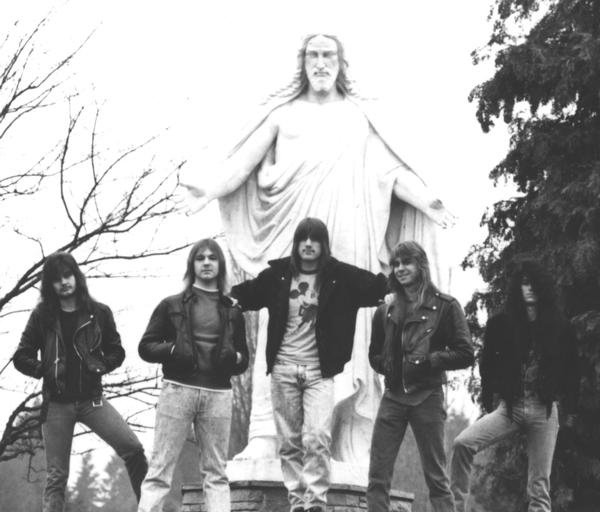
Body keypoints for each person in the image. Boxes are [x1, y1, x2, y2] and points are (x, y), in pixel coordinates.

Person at [183, 33, 455, 467]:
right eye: (314, 54)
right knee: (282, 325)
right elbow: (242, 164)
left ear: (341, 63)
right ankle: (267, 435)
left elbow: (389, 173)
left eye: (329, 55)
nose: (321, 62)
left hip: (349, 238)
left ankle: (347, 438)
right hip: (296, 240)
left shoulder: (359, 118)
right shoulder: (283, 116)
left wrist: (427, 201)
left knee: (351, 331)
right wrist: (208, 188)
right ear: (303, 62)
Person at [230, 217, 387, 512]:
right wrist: (225, 299)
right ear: (296, 244)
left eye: (315, 239)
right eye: (303, 239)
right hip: (283, 368)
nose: (309, 244)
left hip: (318, 371)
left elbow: (376, 287)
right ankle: (297, 501)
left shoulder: (339, 276)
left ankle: (315, 501)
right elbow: (245, 294)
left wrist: (399, 289)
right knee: (289, 441)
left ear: (323, 244)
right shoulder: (278, 276)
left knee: (317, 436)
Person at [13, 251, 148, 512]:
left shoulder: (99, 313)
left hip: (92, 401)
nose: (64, 282)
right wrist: (43, 369)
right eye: (57, 279)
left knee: (133, 449)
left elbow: (117, 351)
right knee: (56, 476)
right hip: (56, 404)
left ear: (76, 276)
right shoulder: (42, 315)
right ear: (49, 284)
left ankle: (150, 507)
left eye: (68, 275)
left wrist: (101, 364)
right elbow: (21, 356)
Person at [450, 259, 580, 512]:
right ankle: (453, 508)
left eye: (534, 283)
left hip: (543, 410)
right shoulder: (502, 324)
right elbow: (487, 362)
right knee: (462, 443)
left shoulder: (560, 327)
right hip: (511, 408)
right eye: (524, 283)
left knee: (539, 487)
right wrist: (489, 395)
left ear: (543, 287)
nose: (529, 288)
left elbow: (572, 370)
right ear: (517, 287)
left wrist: (570, 409)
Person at [137, 238, 249, 512]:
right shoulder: (171, 305)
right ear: (192, 265)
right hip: (178, 390)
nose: (207, 262)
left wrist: (234, 358)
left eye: (212, 258)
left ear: (220, 265)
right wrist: (173, 349)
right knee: (160, 469)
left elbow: (243, 358)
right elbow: (146, 347)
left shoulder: (233, 310)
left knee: (216, 473)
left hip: (218, 395)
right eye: (201, 258)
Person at [367, 241, 473, 512]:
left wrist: (430, 361)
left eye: (407, 262)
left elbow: (465, 353)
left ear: (421, 265)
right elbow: (374, 354)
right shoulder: (385, 310)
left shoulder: (446, 306)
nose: (400, 268)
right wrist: (388, 366)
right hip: (393, 397)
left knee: (436, 477)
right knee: (377, 476)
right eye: (396, 264)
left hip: (428, 396)